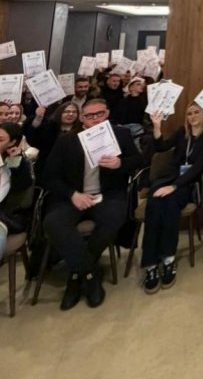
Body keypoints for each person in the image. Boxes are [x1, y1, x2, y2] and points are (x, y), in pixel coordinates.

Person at [43, 97, 142, 309]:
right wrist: (72, 194)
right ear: (82, 118)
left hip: (108, 195)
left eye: (100, 114)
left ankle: (76, 274)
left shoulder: (121, 134)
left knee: (114, 217)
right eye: (89, 116)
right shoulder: (67, 140)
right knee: (53, 222)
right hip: (74, 197)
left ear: (107, 114)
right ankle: (89, 273)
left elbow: (139, 161)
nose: (95, 119)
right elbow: (49, 176)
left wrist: (120, 163)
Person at [141, 103, 203, 293]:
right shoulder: (182, 132)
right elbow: (161, 146)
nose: (193, 116)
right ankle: (150, 263)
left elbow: (198, 167)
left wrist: (174, 187)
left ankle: (168, 259)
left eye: (196, 112)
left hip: (189, 184)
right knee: (154, 203)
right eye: (189, 113)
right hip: (169, 178)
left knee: (171, 204)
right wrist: (157, 127)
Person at [0, 122, 34, 259]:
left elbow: (23, 187)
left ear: (12, 142)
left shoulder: (15, 163)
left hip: (4, 216)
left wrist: (16, 162)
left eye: (0, 140)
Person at [27, 101, 82, 176]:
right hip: (47, 169)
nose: (70, 114)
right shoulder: (49, 128)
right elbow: (34, 140)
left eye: (74, 112)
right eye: (66, 111)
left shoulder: (80, 131)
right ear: (60, 113)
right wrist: (38, 118)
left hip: (72, 170)